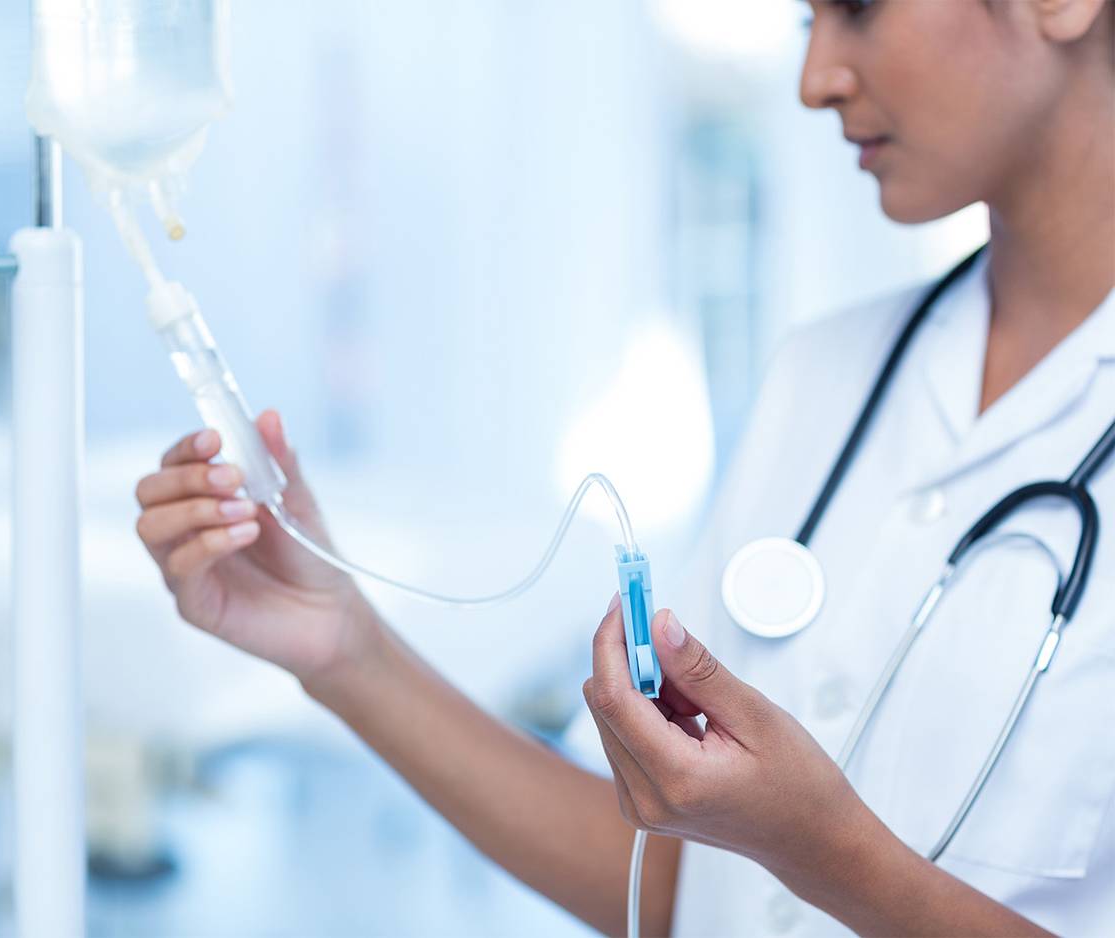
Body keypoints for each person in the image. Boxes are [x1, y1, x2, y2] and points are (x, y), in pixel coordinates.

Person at [130, 1, 1115, 934]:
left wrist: (825, 849)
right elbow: (684, 887)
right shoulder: (826, 376)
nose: (815, 79)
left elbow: (791, 854)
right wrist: (345, 648)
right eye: (805, 21)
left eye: (858, 7)